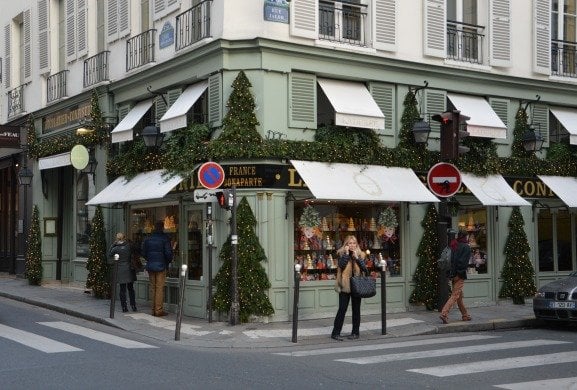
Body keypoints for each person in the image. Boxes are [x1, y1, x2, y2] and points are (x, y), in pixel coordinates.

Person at [330, 235, 368, 341]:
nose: (352, 245)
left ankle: (355, 333)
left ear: (356, 244)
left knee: (356, 310)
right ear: (346, 244)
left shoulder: (361, 254)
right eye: (349, 243)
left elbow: (365, 269)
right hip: (344, 285)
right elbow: (341, 266)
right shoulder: (341, 253)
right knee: (342, 309)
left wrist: (356, 257)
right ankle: (335, 333)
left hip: (356, 285)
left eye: (354, 243)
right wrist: (347, 254)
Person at [141, 221, 173, 317]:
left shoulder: (148, 239)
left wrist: (149, 260)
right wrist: (166, 262)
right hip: (161, 266)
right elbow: (168, 254)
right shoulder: (165, 238)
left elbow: (143, 253)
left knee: (153, 288)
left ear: (154, 228)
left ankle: (153, 309)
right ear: (162, 227)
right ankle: (158, 310)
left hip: (151, 266)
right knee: (159, 288)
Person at [440, 230, 472, 324]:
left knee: (459, 296)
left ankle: (465, 315)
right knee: (455, 296)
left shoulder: (455, 245)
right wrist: (460, 273)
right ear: (465, 237)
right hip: (459, 274)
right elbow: (463, 263)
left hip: (452, 274)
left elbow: (451, 261)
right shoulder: (466, 247)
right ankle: (444, 314)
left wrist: (452, 274)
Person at [108, 232, 137, 313]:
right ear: (124, 238)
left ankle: (124, 307)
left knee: (122, 290)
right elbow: (135, 251)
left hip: (120, 270)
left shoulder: (115, 248)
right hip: (129, 269)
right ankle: (133, 305)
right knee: (131, 289)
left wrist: (113, 244)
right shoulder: (128, 246)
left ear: (116, 239)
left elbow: (109, 254)